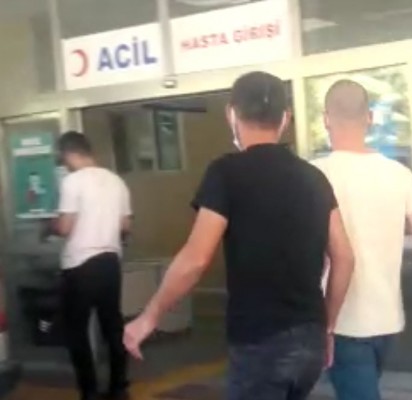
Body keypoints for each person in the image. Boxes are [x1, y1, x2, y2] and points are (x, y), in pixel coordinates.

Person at [123, 71, 355, 400]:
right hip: (309, 340)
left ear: (232, 114)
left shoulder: (226, 173)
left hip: (259, 342)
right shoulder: (314, 178)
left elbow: (195, 259)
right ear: (285, 118)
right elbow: (344, 257)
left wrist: (149, 317)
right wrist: (326, 327)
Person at [311, 79, 412, 400]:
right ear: (370, 118)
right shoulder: (399, 174)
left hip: (340, 321)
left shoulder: (314, 174)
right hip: (387, 320)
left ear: (326, 119)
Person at [55, 131, 132, 400]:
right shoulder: (117, 182)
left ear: (68, 154)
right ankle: (119, 388)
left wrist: (50, 226)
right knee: (112, 328)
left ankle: (89, 391)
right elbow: (125, 226)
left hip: (80, 266)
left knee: (76, 331)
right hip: (110, 263)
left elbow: (65, 227)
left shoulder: (72, 181)